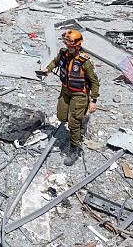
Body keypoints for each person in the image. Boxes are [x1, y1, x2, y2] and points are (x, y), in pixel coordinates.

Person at [43, 29, 99, 166]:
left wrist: (93, 100)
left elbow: (94, 81)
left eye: (72, 46)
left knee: (73, 124)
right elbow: (55, 62)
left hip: (80, 94)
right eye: (67, 45)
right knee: (62, 116)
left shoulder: (84, 61)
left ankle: (75, 149)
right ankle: (82, 119)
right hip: (66, 90)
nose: (69, 48)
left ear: (78, 45)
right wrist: (47, 69)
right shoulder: (64, 53)